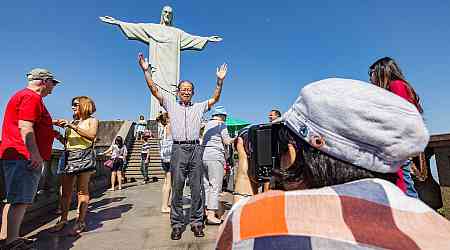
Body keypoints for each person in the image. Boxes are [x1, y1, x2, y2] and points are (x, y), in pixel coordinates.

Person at [215, 78, 450, 249]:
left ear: (294, 153)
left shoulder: (253, 222)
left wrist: (245, 175)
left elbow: (237, 233)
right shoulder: (439, 230)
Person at [138, 52, 228, 240]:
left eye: (189, 89)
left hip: (196, 149)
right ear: (178, 92)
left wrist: (219, 82)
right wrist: (146, 71)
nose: (186, 91)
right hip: (178, 149)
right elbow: (153, 89)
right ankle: (177, 224)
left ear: (193, 92)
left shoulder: (199, 107)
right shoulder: (170, 104)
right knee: (177, 187)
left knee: (197, 188)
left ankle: (197, 222)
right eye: (183, 89)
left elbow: (215, 99)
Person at [99, 5, 222, 120]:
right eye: (166, 12)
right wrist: (117, 22)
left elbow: (192, 38)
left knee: (172, 93)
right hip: (157, 68)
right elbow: (136, 27)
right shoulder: (153, 28)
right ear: (162, 14)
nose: (168, 15)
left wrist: (207, 39)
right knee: (156, 90)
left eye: (170, 13)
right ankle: (155, 118)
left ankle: (169, 118)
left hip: (172, 71)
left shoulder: (177, 33)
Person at [0, 68, 61, 249]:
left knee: (14, 199)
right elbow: (25, 127)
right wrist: (34, 154)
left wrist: (50, 125)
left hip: (15, 155)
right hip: (23, 156)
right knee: (20, 201)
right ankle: (11, 241)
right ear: (44, 81)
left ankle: (8, 237)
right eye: (53, 83)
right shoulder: (32, 97)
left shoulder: (24, 96)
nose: (53, 88)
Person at [369, 57, 422, 198]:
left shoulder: (396, 86)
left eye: (372, 72)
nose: (370, 77)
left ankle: (412, 216)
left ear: (382, 71)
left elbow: (399, 117)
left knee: (403, 187)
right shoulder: (399, 86)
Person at [50, 96, 99, 235]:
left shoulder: (92, 121)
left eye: (76, 104)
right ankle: (63, 219)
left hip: (84, 157)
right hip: (69, 156)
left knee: (82, 191)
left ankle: (80, 221)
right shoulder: (73, 121)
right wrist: (57, 135)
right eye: (72, 105)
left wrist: (72, 126)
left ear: (84, 105)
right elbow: (68, 143)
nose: (73, 107)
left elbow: (91, 136)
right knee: (65, 192)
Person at [202, 106, 233, 224]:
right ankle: (211, 214)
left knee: (206, 185)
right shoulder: (221, 124)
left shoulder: (206, 124)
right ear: (222, 116)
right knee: (215, 185)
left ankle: (205, 211)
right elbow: (226, 141)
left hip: (203, 156)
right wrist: (235, 138)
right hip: (215, 156)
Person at [158, 112, 173, 213]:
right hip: (170, 157)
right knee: (169, 182)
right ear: (168, 119)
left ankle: (165, 204)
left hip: (164, 157)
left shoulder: (162, 128)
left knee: (166, 181)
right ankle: (164, 206)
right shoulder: (169, 126)